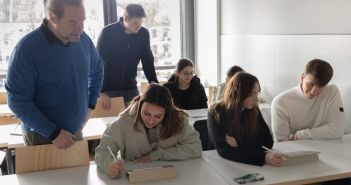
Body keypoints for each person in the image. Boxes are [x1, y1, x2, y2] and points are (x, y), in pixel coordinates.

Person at [5, 0, 103, 149]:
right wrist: (54, 133)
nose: (80, 28)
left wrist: (90, 105)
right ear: (53, 18)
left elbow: (98, 70)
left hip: (76, 130)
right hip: (42, 135)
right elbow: (17, 101)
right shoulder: (26, 50)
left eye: (82, 21)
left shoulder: (83, 40)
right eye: (72, 22)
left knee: (77, 173)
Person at [95, 83, 202, 178]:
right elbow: (102, 151)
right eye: (146, 114)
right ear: (140, 105)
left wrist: (157, 155)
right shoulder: (124, 122)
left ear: (167, 113)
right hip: (135, 177)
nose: (151, 121)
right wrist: (108, 165)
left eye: (158, 116)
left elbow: (195, 148)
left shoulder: (178, 121)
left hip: (171, 176)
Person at [208, 72, 287, 166]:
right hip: (221, 165)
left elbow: (268, 141)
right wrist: (263, 158)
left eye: (257, 93)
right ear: (238, 93)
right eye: (251, 94)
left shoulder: (253, 109)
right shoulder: (216, 111)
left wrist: (239, 143)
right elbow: (224, 150)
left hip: (244, 162)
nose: (256, 99)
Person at [97, 4, 158, 108]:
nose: (139, 26)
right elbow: (99, 63)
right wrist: (101, 91)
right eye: (135, 23)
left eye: (141, 22)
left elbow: (147, 61)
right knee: (111, 123)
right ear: (125, 18)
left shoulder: (143, 34)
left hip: (131, 88)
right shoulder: (108, 33)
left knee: (134, 121)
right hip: (109, 90)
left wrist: (154, 84)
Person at [271, 59, 345, 142]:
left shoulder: (332, 92)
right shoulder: (280, 102)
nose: (314, 91)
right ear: (302, 78)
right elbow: (282, 143)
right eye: (311, 84)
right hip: (296, 150)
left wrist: (301, 135)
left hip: (325, 147)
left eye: (320, 87)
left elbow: (338, 129)